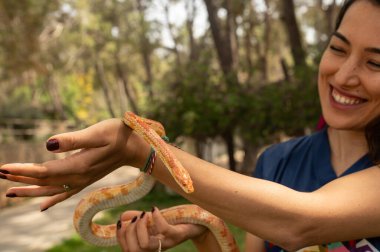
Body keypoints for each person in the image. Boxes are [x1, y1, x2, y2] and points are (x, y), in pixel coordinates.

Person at [1, 0, 380, 251]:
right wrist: (202, 231)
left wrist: (142, 152)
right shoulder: (277, 161)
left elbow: (300, 222)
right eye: (338, 48)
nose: (344, 75)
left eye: (375, 63)